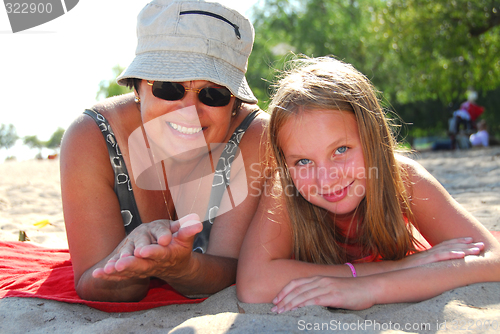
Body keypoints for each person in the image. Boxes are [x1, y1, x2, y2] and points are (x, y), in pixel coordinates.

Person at [236, 56, 500, 311]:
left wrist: (371, 289)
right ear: (284, 162)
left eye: (341, 149)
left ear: (373, 137)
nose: (326, 178)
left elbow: (493, 259)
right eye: (303, 162)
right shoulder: (285, 189)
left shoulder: (403, 178)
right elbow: (254, 285)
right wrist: (398, 267)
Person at [60, 0, 269, 302]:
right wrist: (129, 266)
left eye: (214, 94)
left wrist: (180, 269)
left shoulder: (255, 136)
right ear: (138, 88)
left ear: (235, 104)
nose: (188, 110)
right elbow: (92, 281)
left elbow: (232, 268)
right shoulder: (91, 137)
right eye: (168, 87)